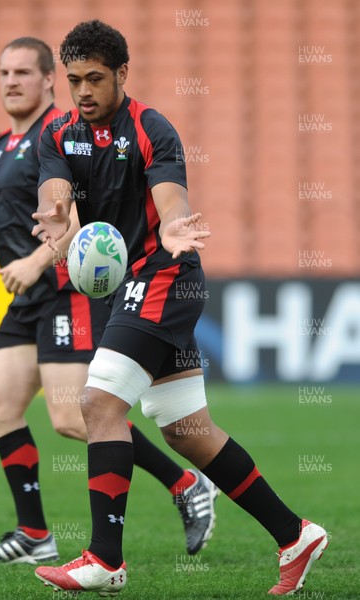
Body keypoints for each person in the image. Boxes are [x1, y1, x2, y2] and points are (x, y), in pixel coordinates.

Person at [32, 20, 328, 596]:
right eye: (74, 80)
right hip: (133, 286)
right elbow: (55, 189)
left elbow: (172, 200)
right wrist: (54, 211)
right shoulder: (58, 134)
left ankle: (105, 560)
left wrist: (172, 229)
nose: (84, 91)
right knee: (187, 429)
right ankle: (296, 535)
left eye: (96, 78)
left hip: (166, 275)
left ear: (122, 74)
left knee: (97, 404)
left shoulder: (151, 128)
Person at [0, 36, 218, 565]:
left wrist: (38, 260)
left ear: (49, 78)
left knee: (77, 417)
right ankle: (34, 534)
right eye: (4, 73)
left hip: (60, 292)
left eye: (23, 73)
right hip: (24, 297)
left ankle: (185, 482)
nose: (11, 82)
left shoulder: (64, 135)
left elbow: (73, 214)